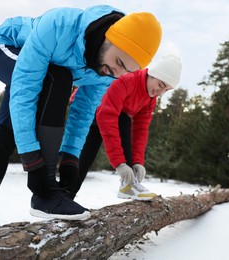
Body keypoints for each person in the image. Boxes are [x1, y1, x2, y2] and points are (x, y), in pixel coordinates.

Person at [0, 5, 162, 232]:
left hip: (45, 70)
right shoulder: (59, 26)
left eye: (126, 71)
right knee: (57, 78)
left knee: (6, 133)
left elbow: (83, 111)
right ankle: (44, 193)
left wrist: (71, 158)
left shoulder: (109, 71)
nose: (117, 74)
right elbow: (25, 92)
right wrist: (33, 161)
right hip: (9, 46)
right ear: (108, 38)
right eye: (119, 62)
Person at [76, 54, 182, 200]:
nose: (161, 92)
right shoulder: (127, 80)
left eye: (167, 90)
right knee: (123, 119)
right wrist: (120, 163)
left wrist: (138, 161)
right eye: (161, 85)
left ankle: (65, 196)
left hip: (101, 114)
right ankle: (128, 185)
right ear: (151, 74)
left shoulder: (150, 99)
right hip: (86, 107)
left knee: (85, 158)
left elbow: (140, 130)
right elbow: (107, 116)